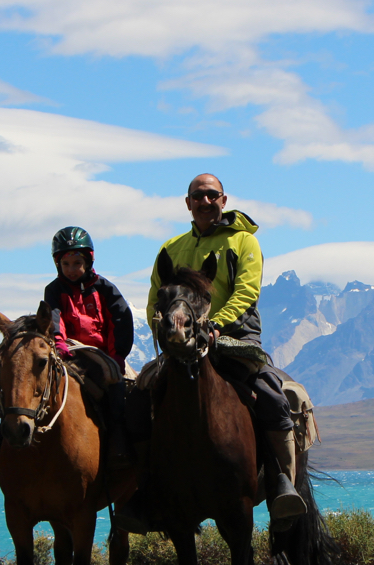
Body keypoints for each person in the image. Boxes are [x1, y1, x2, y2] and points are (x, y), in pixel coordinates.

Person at [112, 173, 305, 533]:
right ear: (188, 203)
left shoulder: (243, 242)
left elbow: (247, 291)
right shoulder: (171, 248)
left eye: (211, 195)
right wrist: (168, 330)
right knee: (138, 403)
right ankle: (146, 489)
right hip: (180, 343)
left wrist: (214, 325)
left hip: (233, 338)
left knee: (271, 398)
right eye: (198, 196)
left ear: (224, 199)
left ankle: (283, 481)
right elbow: (157, 297)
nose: (205, 201)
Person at [0, 226, 135, 468]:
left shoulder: (105, 288)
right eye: (66, 264)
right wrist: (59, 341)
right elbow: (53, 316)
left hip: (101, 353)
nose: (71, 270)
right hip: (66, 349)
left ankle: (119, 435)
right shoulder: (55, 289)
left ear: (88, 261)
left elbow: (120, 321)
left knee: (116, 384)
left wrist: (117, 355)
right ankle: (7, 428)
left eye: (77, 263)